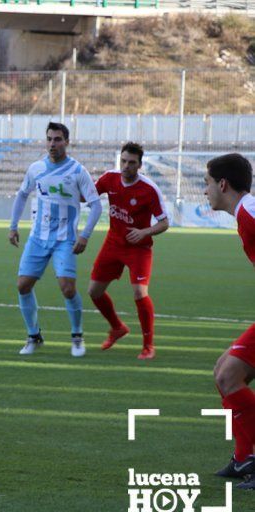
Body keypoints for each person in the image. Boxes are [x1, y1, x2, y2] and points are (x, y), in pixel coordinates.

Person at [8, 122, 102, 357]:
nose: (52, 143)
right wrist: (13, 226)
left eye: (57, 139)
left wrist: (85, 236)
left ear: (67, 142)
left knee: (68, 289)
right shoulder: (35, 168)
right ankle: (33, 335)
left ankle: (77, 336)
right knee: (22, 285)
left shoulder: (77, 171)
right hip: (37, 238)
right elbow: (21, 195)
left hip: (65, 239)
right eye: (49, 139)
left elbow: (96, 205)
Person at [88, 142, 169, 360]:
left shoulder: (149, 189)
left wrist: (144, 232)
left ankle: (148, 346)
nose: (126, 166)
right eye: (123, 161)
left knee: (139, 292)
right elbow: (88, 196)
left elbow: (164, 223)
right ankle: (117, 328)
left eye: (131, 163)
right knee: (94, 291)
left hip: (139, 248)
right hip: (113, 243)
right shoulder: (109, 178)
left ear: (140, 165)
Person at [203, 153, 255, 490]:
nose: (204, 191)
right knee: (224, 372)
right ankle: (243, 458)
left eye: (206, 183)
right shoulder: (246, 212)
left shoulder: (250, 213)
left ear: (222, 184)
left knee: (227, 374)